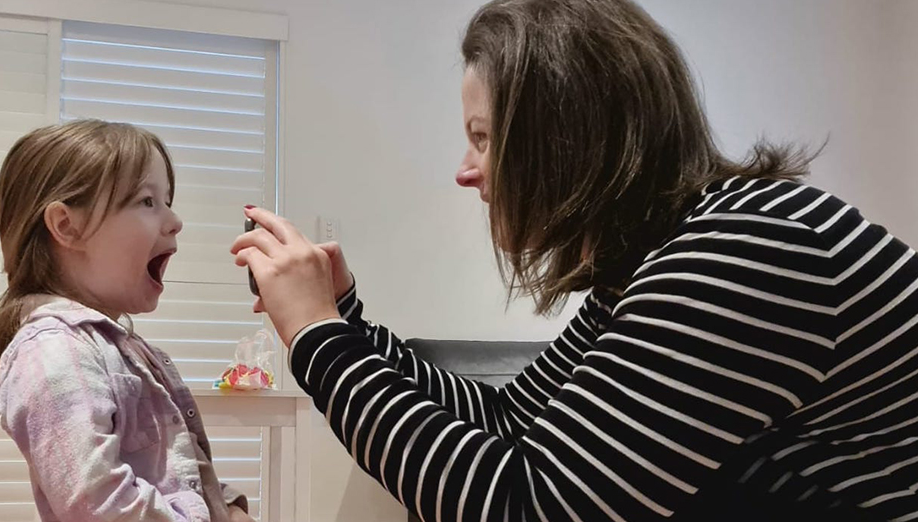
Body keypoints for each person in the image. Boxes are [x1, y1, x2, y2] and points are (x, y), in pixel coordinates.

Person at [231, 0, 918, 520]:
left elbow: (530, 504)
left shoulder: (744, 248)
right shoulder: (656, 260)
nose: (465, 172)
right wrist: (345, 322)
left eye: (484, 139)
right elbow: (506, 421)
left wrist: (317, 337)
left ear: (566, 138)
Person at [0, 120, 253, 522]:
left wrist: (228, 508)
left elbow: (176, 470)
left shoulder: (120, 348)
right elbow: (98, 503)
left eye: (168, 200)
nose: (175, 219)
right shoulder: (54, 349)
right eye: (147, 201)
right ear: (67, 226)